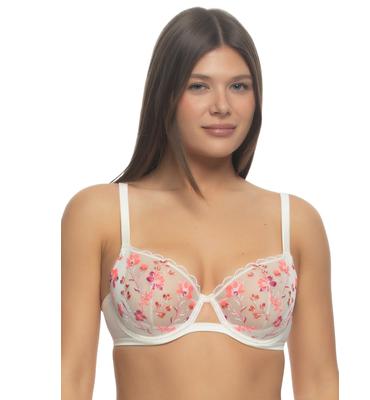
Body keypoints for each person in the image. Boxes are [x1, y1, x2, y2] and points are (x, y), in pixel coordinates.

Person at [61, 7, 339, 400]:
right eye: (199, 86)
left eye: (239, 86)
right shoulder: (99, 213)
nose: (222, 105)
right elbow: (71, 377)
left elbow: (319, 381)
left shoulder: (296, 221)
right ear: (166, 94)